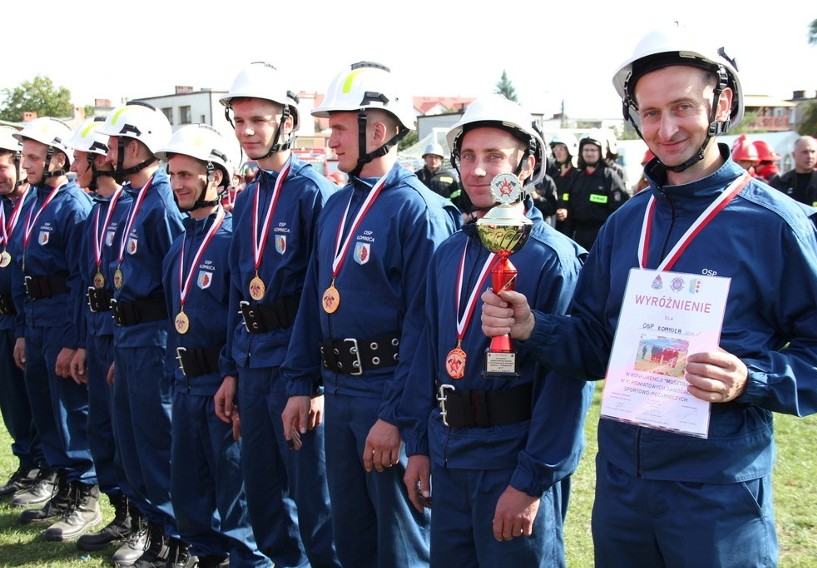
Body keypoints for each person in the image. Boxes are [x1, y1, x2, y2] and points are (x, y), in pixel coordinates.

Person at [481, 25, 817, 568]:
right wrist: (536, 327)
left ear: (721, 103)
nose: (667, 128)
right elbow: (594, 343)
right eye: (651, 113)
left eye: (682, 107)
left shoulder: (776, 224)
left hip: (718, 491)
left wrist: (752, 378)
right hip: (624, 489)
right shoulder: (626, 223)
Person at [396, 94, 593, 567]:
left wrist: (530, 481)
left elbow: (566, 384)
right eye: (467, 156)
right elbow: (425, 351)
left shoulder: (554, 260)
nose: (478, 170)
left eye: (494, 157)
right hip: (449, 455)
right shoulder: (449, 253)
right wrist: (419, 446)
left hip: (512, 462)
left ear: (525, 166)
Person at [281, 60, 461, 567]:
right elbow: (314, 303)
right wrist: (301, 382)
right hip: (337, 393)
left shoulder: (419, 211)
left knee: (401, 544)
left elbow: (426, 328)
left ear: (376, 130)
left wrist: (396, 417)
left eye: (338, 127)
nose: (329, 138)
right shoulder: (335, 206)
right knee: (351, 536)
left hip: (387, 394)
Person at [214, 61, 339, 568]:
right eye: (239, 121)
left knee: (314, 501)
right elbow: (236, 293)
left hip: (293, 368)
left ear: (286, 123)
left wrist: (312, 383)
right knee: (263, 496)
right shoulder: (247, 197)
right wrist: (228, 369)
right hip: (250, 363)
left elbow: (325, 300)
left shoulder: (314, 193)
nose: (246, 132)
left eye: (257, 121)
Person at [158, 124, 269, 568]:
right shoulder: (180, 243)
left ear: (217, 178)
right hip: (185, 387)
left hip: (222, 392)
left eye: (186, 175)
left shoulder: (230, 242)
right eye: (172, 175)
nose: (177, 184)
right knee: (189, 493)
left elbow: (241, 321)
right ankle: (207, 557)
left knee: (236, 500)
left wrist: (235, 384)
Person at [97, 101, 187, 568]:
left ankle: (178, 538)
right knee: (133, 444)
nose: (109, 153)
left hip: (155, 340)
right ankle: (153, 529)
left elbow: (181, 283)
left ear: (139, 145)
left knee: (158, 443)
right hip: (129, 338)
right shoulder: (133, 199)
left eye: (116, 144)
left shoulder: (163, 201)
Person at [7, 117, 97, 539]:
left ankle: (86, 496)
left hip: (62, 319)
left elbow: (81, 279)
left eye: (31, 157)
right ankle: (61, 487)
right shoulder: (32, 201)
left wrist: (75, 339)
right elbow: (23, 268)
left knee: (70, 413)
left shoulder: (74, 206)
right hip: (36, 320)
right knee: (45, 412)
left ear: (57, 159)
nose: (25, 164)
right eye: (23, 156)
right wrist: (24, 330)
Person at [64, 118, 136, 551]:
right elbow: (84, 280)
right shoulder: (97, 212)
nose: (75, 166)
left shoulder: (132, 208)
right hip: (98, 330)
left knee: (134, 438)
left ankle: (148, 523)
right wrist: (81, 340)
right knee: (105, 432)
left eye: (81, 157)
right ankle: (123, 514)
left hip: (123, 335)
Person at [0, 126, 41, 502]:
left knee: (35, 397)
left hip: (28, 316)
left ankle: (45, 466)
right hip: (4, 316)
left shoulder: (36, 204)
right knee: (11, 400)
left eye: (2, 166)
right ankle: (27, 461)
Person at [770, 135, 817, 244]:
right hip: (789, 243)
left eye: (813, 152)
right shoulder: (781, 182)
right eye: (805, 152)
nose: (809, 156)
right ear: (794, 155)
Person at [562, 131, 629, 250]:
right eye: (586, 150)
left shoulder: (610, 177)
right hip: (578, 234)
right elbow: (566, 198)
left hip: (601, 234)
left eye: (593, 150)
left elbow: (620, 209)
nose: (589, 153)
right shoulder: (576, 176)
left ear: (601, 152)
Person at [416, 141, 463, 209]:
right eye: (430, 157)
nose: (433, 160)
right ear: (425, 158)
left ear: (441, 159)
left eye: (436, 157)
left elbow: (457, 200)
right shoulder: (416, 177)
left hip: (444, 214)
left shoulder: (449, 176)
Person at [549, 133, 579, 237]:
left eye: (561, 148)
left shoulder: (578, 175)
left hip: (573, 228)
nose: (557, 152)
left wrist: (568, 211)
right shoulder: (554, 175)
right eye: (555, 149)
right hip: (554, 224)